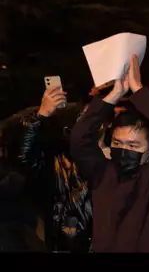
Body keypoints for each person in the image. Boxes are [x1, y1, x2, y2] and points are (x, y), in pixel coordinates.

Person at [70, 55, 149, 252]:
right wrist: (114, 94)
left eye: (133, 145)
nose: (124, 150)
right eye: (118, 143)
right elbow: (79, 138)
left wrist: (138, 89)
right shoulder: (102, 173)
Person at [12, 86, 91, 252]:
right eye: (83, 115)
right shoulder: (59, 157)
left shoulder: (119, 153)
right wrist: (41, 116)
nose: (90, 120)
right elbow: (24, 157)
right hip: (67, 244)